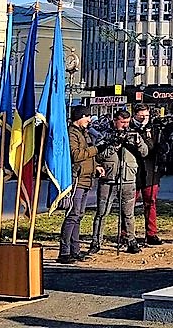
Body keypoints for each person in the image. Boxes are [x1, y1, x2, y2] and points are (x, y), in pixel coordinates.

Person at [90, 109, 148, 255]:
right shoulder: (104, 134)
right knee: (102, 212)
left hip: (128, 178)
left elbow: (145, 152)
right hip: (109, 179)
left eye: (127, 122)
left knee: (128, 214)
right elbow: (98, 155)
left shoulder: (133, 133)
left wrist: (137, 143)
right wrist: (114, 145)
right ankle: (96, 242)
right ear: (115, 120)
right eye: (122, 122)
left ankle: (131, 241)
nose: (125, 125)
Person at [58, 106, 99, 264]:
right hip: (76, 179)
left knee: (79, 215)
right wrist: (96, 149)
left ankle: (75, 250)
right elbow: (76, 155)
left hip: (86, 178)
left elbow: (88, 155)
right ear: (80, 117)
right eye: (87, 116)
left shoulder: (84, 132)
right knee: (72, 215)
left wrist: (96, 167)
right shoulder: (72, 133)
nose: (89, 120)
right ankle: (64, 251)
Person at [130, 104, 163, 246]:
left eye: (147, 115)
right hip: (133, 171)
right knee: (129, 204)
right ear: (135, 115)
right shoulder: (129, 127)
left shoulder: (155, 129)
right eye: (141, 115)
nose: (144, 118)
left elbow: (158, 147)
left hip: (150, 171)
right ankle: (127, 234)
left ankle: (151, 233)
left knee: (151, 202)